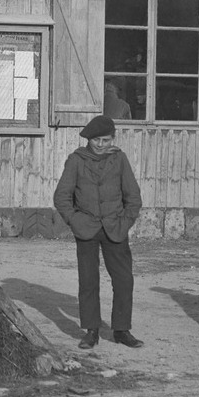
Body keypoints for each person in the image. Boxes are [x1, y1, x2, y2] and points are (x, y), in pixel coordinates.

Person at [53, 115, 144, 350]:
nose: (101, 145)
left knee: (124, 280)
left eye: (106, 140)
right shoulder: (76, 160)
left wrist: (125, 222)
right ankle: (91, 330)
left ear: (113, 139)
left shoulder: (119, 159)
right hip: (86, 229)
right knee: (88, 281)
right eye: (96, 140)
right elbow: (62, 197)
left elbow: (132, 196)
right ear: (88, 139)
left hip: (115, 228)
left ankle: (122, 330)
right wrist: (75, 220)